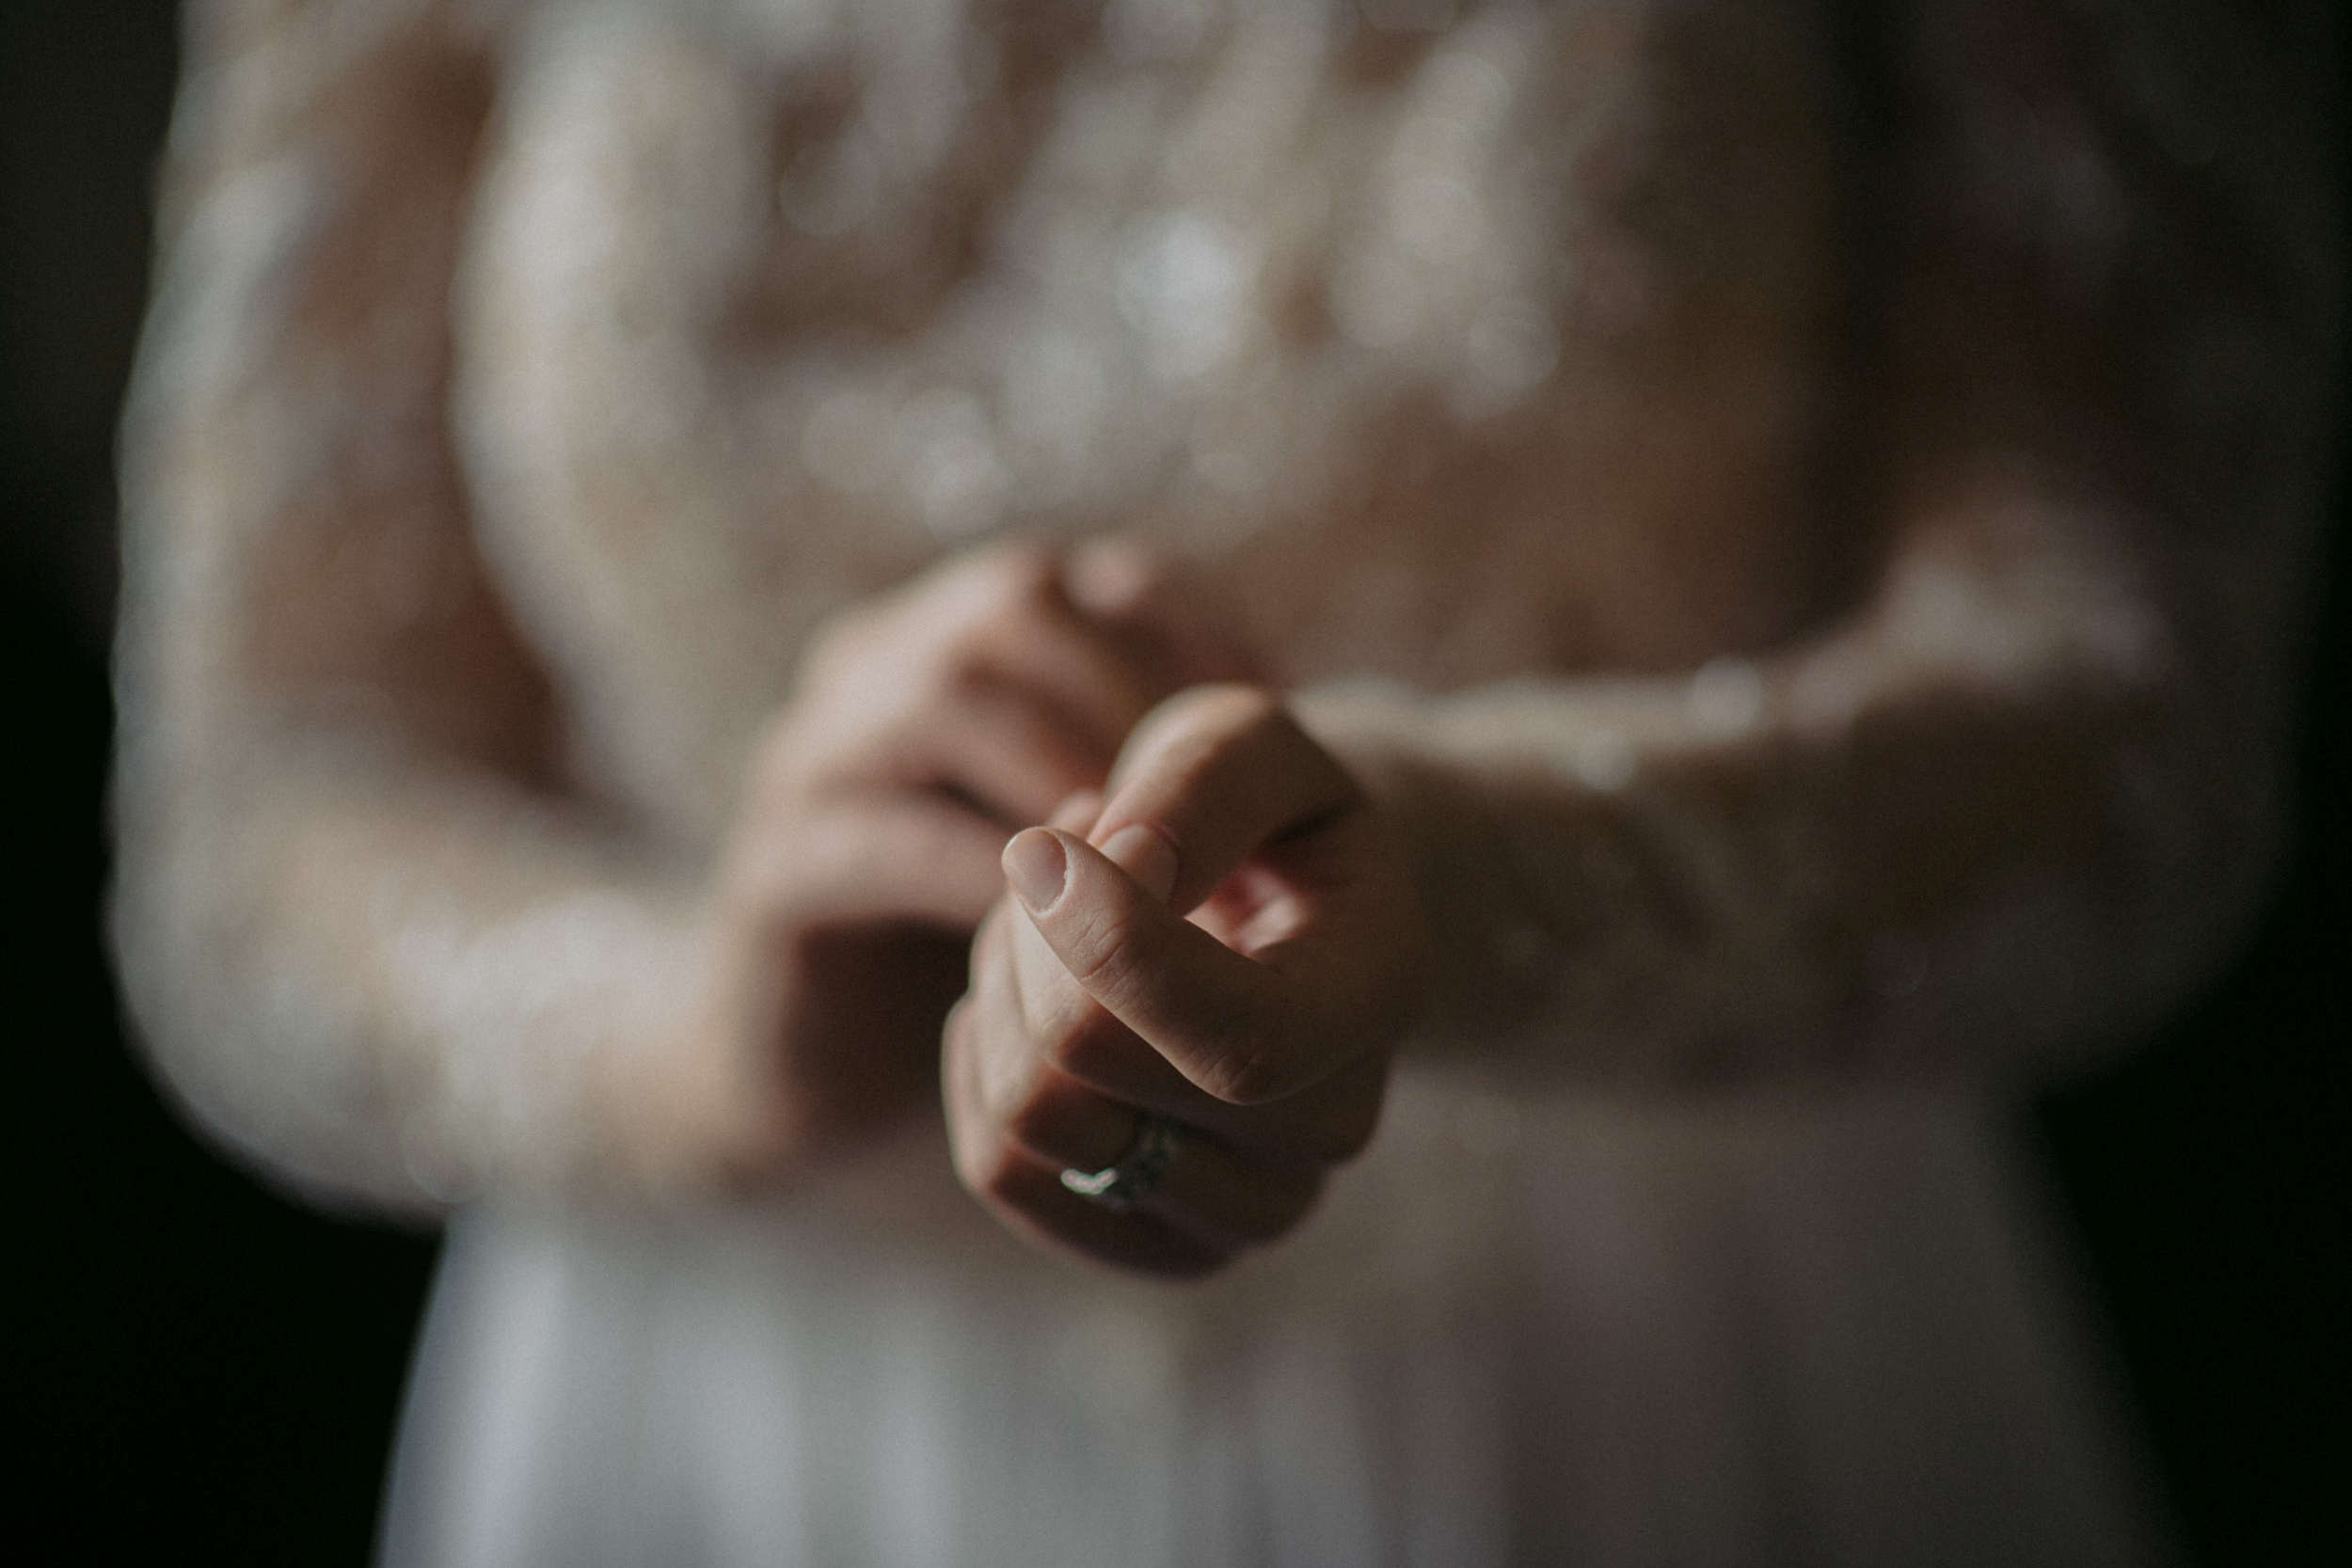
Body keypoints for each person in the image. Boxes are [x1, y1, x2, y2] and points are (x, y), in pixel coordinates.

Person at [112, 0, 2338, 1562]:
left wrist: (1468, 875)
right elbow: (261, 809)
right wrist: (701, 1023)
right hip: (741, 1423)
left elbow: (2119, 700)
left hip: (1656, 1377)